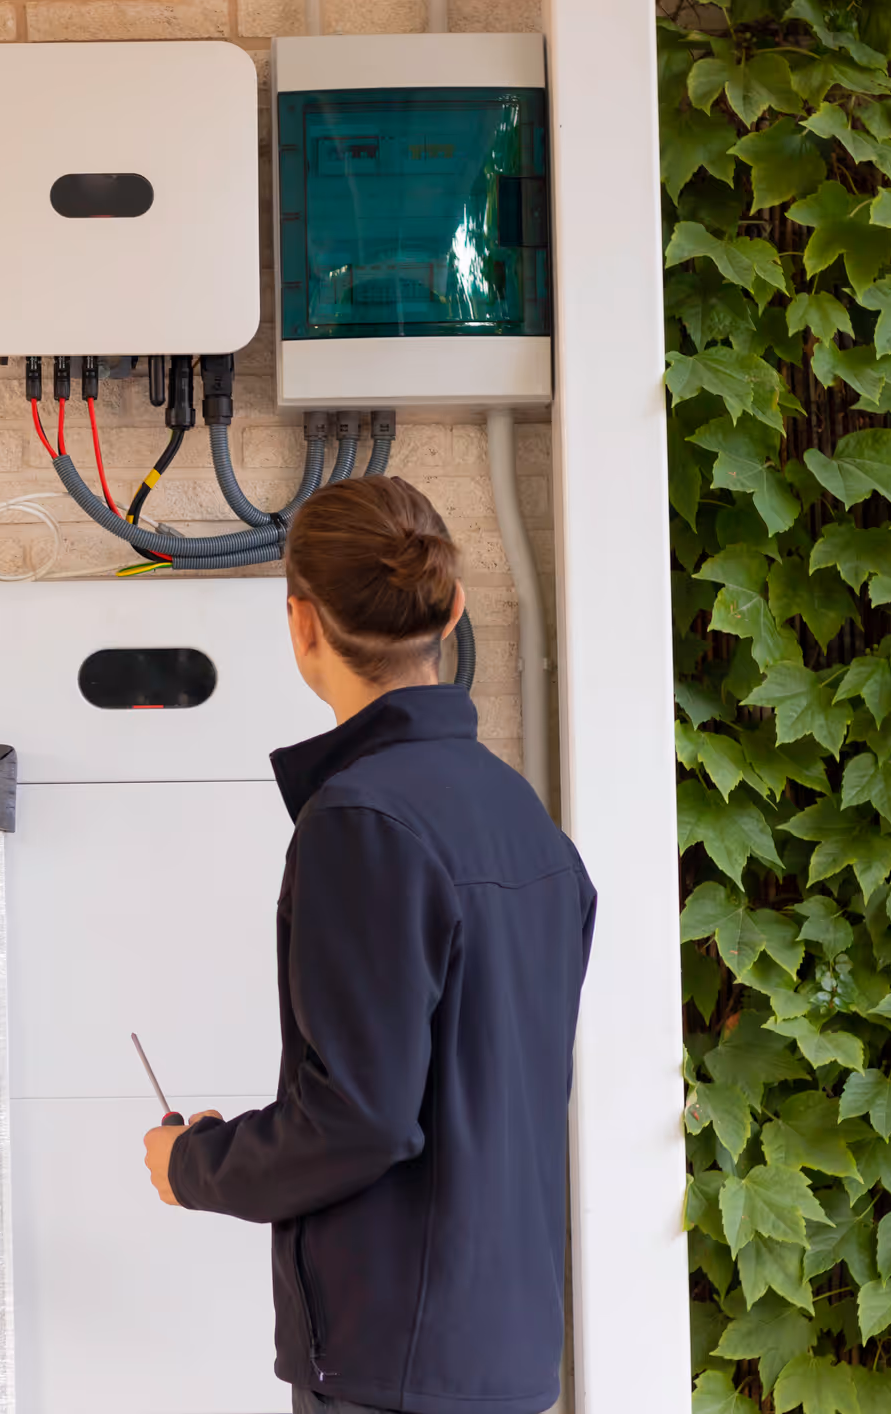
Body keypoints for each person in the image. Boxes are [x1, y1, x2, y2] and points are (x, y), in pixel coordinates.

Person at [141, 475, 594, 1414]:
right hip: (501, 1358)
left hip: (391, 1367)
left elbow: (360, 1119)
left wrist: (193, 1167)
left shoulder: (361, 822)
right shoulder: (522, 817)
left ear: (301, 623)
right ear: (453, 609)